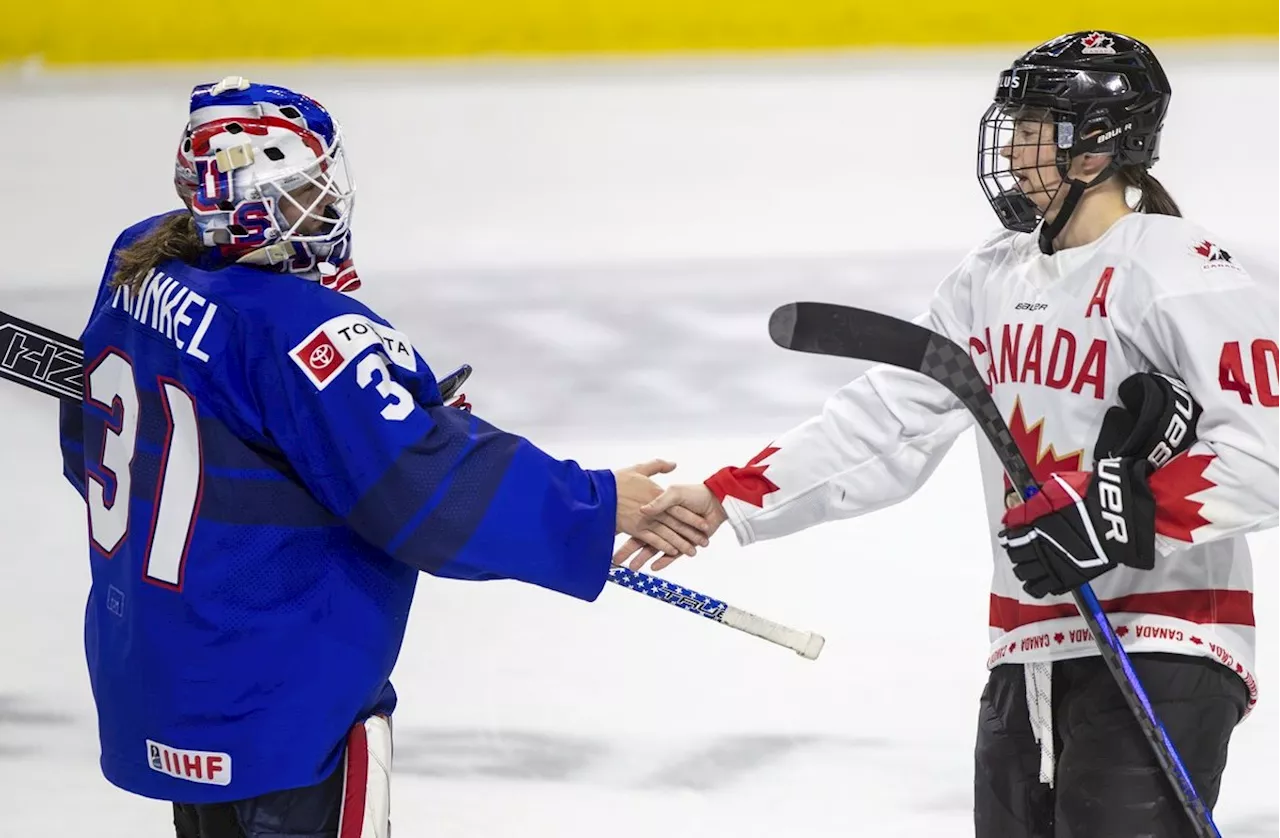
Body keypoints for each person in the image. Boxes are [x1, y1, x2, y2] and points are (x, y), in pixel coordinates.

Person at [615, 31, 1280, 837]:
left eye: (1038, 124)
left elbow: (1265, 448)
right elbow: (887, 419)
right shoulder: (990, 277)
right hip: (1027, 648)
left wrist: (1116, 515)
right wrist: (724, 498)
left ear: (1097, 148)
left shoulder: (1177, 268)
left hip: (1166, 638)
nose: (1013, 143)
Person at [57, 76, 710, 838]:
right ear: (266, 205)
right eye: (305, 193)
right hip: (278, 693)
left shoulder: (138, 263)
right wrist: (597, 505)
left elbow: (96, 449)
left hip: (166, 668)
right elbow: (427, 494)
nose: (324, 207)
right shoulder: (306, 333)